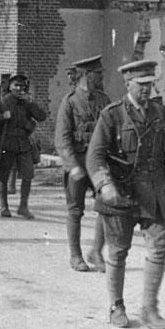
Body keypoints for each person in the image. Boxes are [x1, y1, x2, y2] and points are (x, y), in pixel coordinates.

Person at [86, 59, 165, 329]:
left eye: (150, 84)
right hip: (120, 191)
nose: (147, 89)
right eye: (141, 85)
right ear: (128, 84)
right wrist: (105, 184)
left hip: (155, 191)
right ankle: (116, 306)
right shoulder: (111, 115)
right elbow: (95, 155)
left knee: (158, 250)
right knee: (117, 253)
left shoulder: (161, 112)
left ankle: (150, 309)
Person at [55, 55, 109, 272]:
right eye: (98, 74)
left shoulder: (104, 101)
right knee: (75, 211)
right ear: (86, 75)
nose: (101, 77)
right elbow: (62, 138)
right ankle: (75, 255)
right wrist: (72, 165)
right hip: (77, 163)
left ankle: (96, 251)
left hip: (98, 164)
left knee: (106, 206)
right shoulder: (69, 102)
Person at [0, 74, 46, 219]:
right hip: (6, 142)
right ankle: (4, 207)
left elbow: (41, 116)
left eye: (22, 86)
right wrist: (3, 117)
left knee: (28, 174)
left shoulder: (27, 103)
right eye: (16, 85)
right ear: (10, 87)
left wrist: (31, 103)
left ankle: (23, 206)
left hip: (23, 143)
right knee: (3, 174)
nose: (19, 88)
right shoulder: (2, 102)